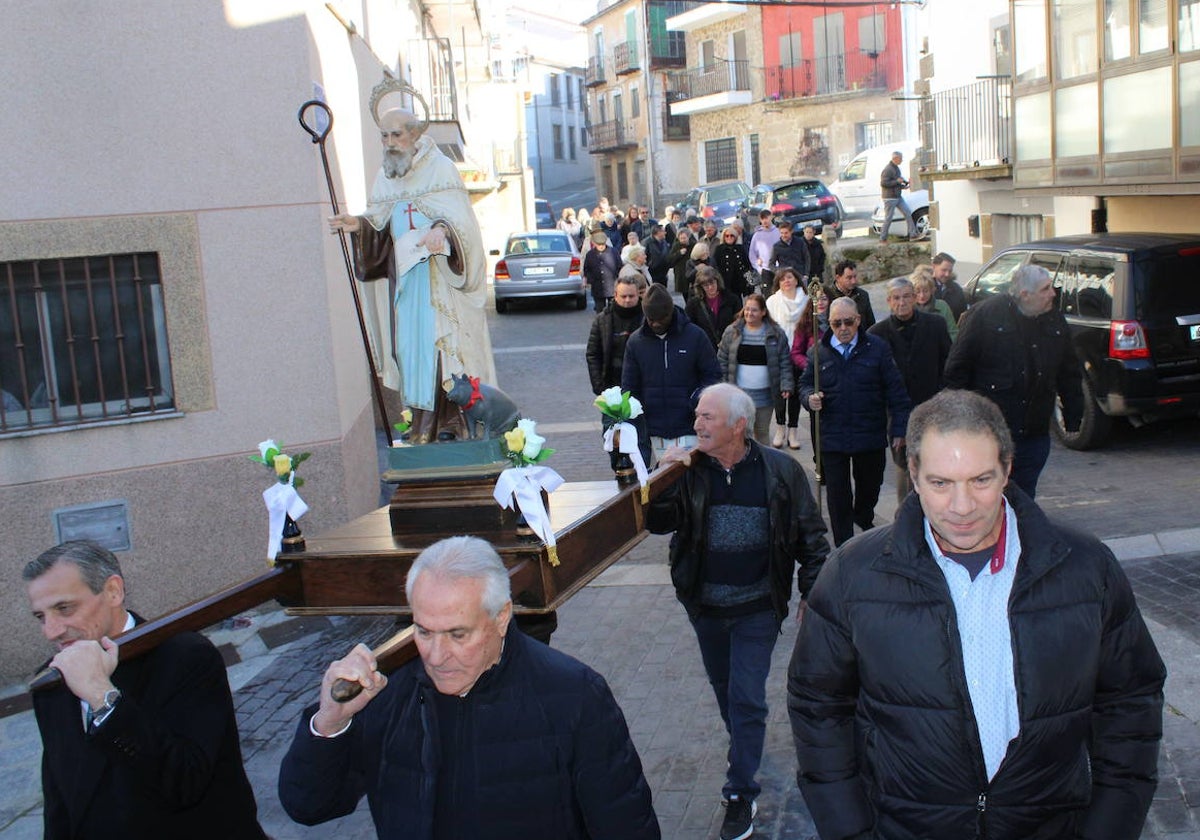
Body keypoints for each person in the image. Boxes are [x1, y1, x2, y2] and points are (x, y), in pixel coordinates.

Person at [787, 389, 1165, 840]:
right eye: (941, 483)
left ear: (1008, 469)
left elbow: (1130, 703)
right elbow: (819, 707)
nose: (961, 507)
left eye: (980, 480)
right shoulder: (852, 574)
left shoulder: (1088, 568)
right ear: (914, 475)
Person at [279, 536, 659, 839]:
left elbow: (624, 824)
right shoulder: (387, 692)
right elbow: (309, 806)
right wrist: (329, 723)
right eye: (424, 631)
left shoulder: (574, 696)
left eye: (458, 634)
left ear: (501, 617)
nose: (437, 655)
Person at [647, 383, 829, 840]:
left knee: (747, 697)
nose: (696, 425)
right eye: (698, 417)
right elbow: (656, 523)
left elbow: (811, 537)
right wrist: (660, 478)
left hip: (757, 608)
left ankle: (740, 792)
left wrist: (812, 592)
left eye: (707, 417)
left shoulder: (781, 471)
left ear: (738, 425)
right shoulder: (687, 470)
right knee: (728, 691)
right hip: (704, 606)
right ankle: (745, 745)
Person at [24, 541, 267, 839]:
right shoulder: (51, 681)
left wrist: (103, 697)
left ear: (113, 591)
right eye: (41, 616)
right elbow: (60, 800)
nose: (52, 631)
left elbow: (186, 782)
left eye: (64, 608)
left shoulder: (185, 657)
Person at [329, 107, 496, 443]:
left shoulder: (441, 169)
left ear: (415, 134)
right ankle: (423, 423)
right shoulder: (385, 176)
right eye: (384, 135)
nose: (390, 142)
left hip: (439, 282)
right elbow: (379, 220)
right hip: (404, 284)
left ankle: (453, 422)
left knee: (442, 350)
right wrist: (360, 225)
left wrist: (442, 231)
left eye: (397, 134)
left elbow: (463, 224)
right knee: (410, 352)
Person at [943, 264, 1083, 498]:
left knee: (1023, 496)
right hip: (991, 432)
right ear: (1025, 295)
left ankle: (1018, 532)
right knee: (992, 495)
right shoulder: (985, 315)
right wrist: (962, 422)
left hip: (1034, 432)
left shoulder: (1054, 320)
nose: (1053, 293)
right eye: (1045, 289)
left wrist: (1073, 415)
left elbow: (1069, 372)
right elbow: (956, 370)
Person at [800, 297, 911, 546]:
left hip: (868, 435)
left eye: (848, 322)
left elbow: (896, 390)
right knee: (838, 498)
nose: (842, 328)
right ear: (829, 323)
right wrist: (809, 398)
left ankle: (863, 517)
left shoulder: (877, 349)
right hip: (832, 437)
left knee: (869, 489)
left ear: (858, 320)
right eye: (836, 323)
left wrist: (900, 429)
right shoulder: (818, 353)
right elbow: (805, 384)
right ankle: (843, 547)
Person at [868, 277, 952, 502]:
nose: (902, 302)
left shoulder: (935, 324)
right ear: (888, 301)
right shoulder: (877, 334)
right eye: (896, 298)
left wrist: (943, 395)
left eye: (907, 296)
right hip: (896, 412)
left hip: (932, 406)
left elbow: (949, 364)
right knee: (904, 464)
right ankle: (906, 513)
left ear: (915, 298)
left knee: (933, 462)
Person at [622, 284, 721, 465]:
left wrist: (695, 401)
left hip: (690, 425)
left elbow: (712, 376)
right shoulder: (636, 342)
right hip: (654, 428)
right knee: (664, 482)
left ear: (671, 312)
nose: (656, 323)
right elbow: (629, 387)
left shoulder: (695, 336)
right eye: (651, 319)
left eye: (661, 318)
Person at [716, 294, 793, 443]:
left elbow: (784, 361)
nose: (749, 313)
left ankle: (764, 463)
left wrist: (786, 385)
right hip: (739, 396)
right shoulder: (732, 332)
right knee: (742, 434)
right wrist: (723, 386)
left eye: (754, 310)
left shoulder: (776, 334)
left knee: (762, 432)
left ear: (763, 312)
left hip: (765, 396)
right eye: (747, 309)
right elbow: (722, 359)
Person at [765, 267, 809, 449]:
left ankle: (793, 430)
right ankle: (780, 427)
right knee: (779, 393)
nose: (787, 281)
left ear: (797, 280)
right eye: (782, 279)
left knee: (796, 394)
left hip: (799, 353)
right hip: (779, 353)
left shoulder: (807, 301)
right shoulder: (772, 301)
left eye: (790, 277)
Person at [586, 277, 645, 395]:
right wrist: (598, 385)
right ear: (615, 295)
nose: (627, 300)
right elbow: (593, 354)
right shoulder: (602, 320)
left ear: (638, 295)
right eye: (623, 296)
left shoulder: (647, 318)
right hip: (611, 386)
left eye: (631, 296)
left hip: (642, 384)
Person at [686, 264, 743, 349]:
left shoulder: (732, 299)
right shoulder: (693, 304)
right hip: (704, 347)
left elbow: (740, 322)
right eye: (705, 285)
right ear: (700, 286)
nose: (710, 287)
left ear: (717, 281)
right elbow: (689, 327)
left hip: (729, 345)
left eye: (712, 283)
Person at [878, 149, 922, 242]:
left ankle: (913, 234)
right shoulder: (888, 169)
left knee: (907, 212)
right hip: (889, 198)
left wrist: (903, 186)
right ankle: (882, 238)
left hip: (897, 196)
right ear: (896, 158)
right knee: (888, 218)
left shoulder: (896, 168)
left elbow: (895, 182)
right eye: (901, 159)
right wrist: (897, 181)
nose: (902, 160)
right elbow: (883, 183)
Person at [825, 259, 875, 330]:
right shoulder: (827, 296)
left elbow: (871, 325)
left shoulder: (863, 295)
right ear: (838, 278)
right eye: (849, 278)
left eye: (855, 277)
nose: (853, 281)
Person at [911, 266, 958, 340]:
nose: (922, 295)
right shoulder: (908, 308)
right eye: (917, 291)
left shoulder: (942, 306)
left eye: (926, 291)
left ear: (932, 290)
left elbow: (953, 332)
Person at [583, 230, 621, 313]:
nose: (601, 246)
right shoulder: (590, 254)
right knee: (600, 310)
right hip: (597, 286)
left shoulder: (613, 252)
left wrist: (618, 281)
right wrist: (588, 280)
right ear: (594, 244)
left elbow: (619, 266)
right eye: (598, 244)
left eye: (602, 244)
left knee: (613, 310)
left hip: (611, 285)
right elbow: (587, 268)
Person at [713, 226, 753, 296]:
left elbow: (747, 267)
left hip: (739, 283)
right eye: (727, 236)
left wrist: (750, 283)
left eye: (732, 236)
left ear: (735, 237)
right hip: (725, 284)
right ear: (723, 237)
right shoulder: (719, 250)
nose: (729, 238)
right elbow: (715, 267)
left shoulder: (740, 248)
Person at [748, 209, 780, 295]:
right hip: (765, 270)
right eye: (762, 219)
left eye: (766, 218)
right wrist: (759, 268)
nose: (765, 221)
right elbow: (752, 254)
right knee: (768, 295)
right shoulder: (757, 235)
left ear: (771, 217)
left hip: (778, 268)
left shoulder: (778, 232)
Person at [931, 251, 967, 321]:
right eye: (944, 270)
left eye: (950, 271)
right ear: (934, 266)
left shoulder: (957, 289)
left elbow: (963, 313)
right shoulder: (924, 289)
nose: (947, 274)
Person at [667, 226, 695, 294]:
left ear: (688, 237)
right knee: (684, 293)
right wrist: (679, 253)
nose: (683, 240)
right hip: (681, 274)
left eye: (684, 238)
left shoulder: (693, 245)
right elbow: (670, 259)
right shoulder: (676, 245)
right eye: (681, 238)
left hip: (692, 272)